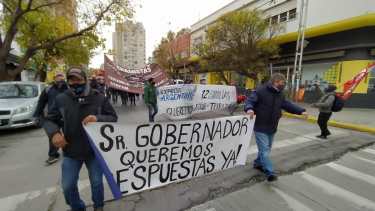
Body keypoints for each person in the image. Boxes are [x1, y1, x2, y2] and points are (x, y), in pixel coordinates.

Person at [43, 67, 118, 211]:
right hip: (71, 149)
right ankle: (78, 207)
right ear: (67, 81)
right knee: (68, 186)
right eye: (72, 80)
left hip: (94, 150)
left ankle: (98, 206)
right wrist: (54, 133)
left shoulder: (99, 97)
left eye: (79, 79)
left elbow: (113, 117)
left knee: (96, 182)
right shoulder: (61, 99)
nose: (75, 83)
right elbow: (49, 120)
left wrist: (97, 118)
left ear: (85, 80)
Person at [244, 73, 308, 182]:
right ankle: (270, 172)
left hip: (272, 126)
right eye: (282, 83)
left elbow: (288, 105)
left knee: (267, 149)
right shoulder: (260, 91)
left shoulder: (280, 94)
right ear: (276, 81)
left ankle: (257, 163)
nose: (283, 85)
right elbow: (250, 101)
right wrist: (249, 109)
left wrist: (301, 111)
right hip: (260, 126)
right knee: (265, 150)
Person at [34, 72, 68, 165]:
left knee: (68, 134)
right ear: (54, 78)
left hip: (66, 116)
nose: (60, 78)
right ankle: (53, 155)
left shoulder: (69, 88)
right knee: (53, 135)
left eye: (61, 76)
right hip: (52, 117)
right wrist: (37, 115)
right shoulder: (48, 89)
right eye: (58, 76)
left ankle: (68, 151)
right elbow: (41, 103)